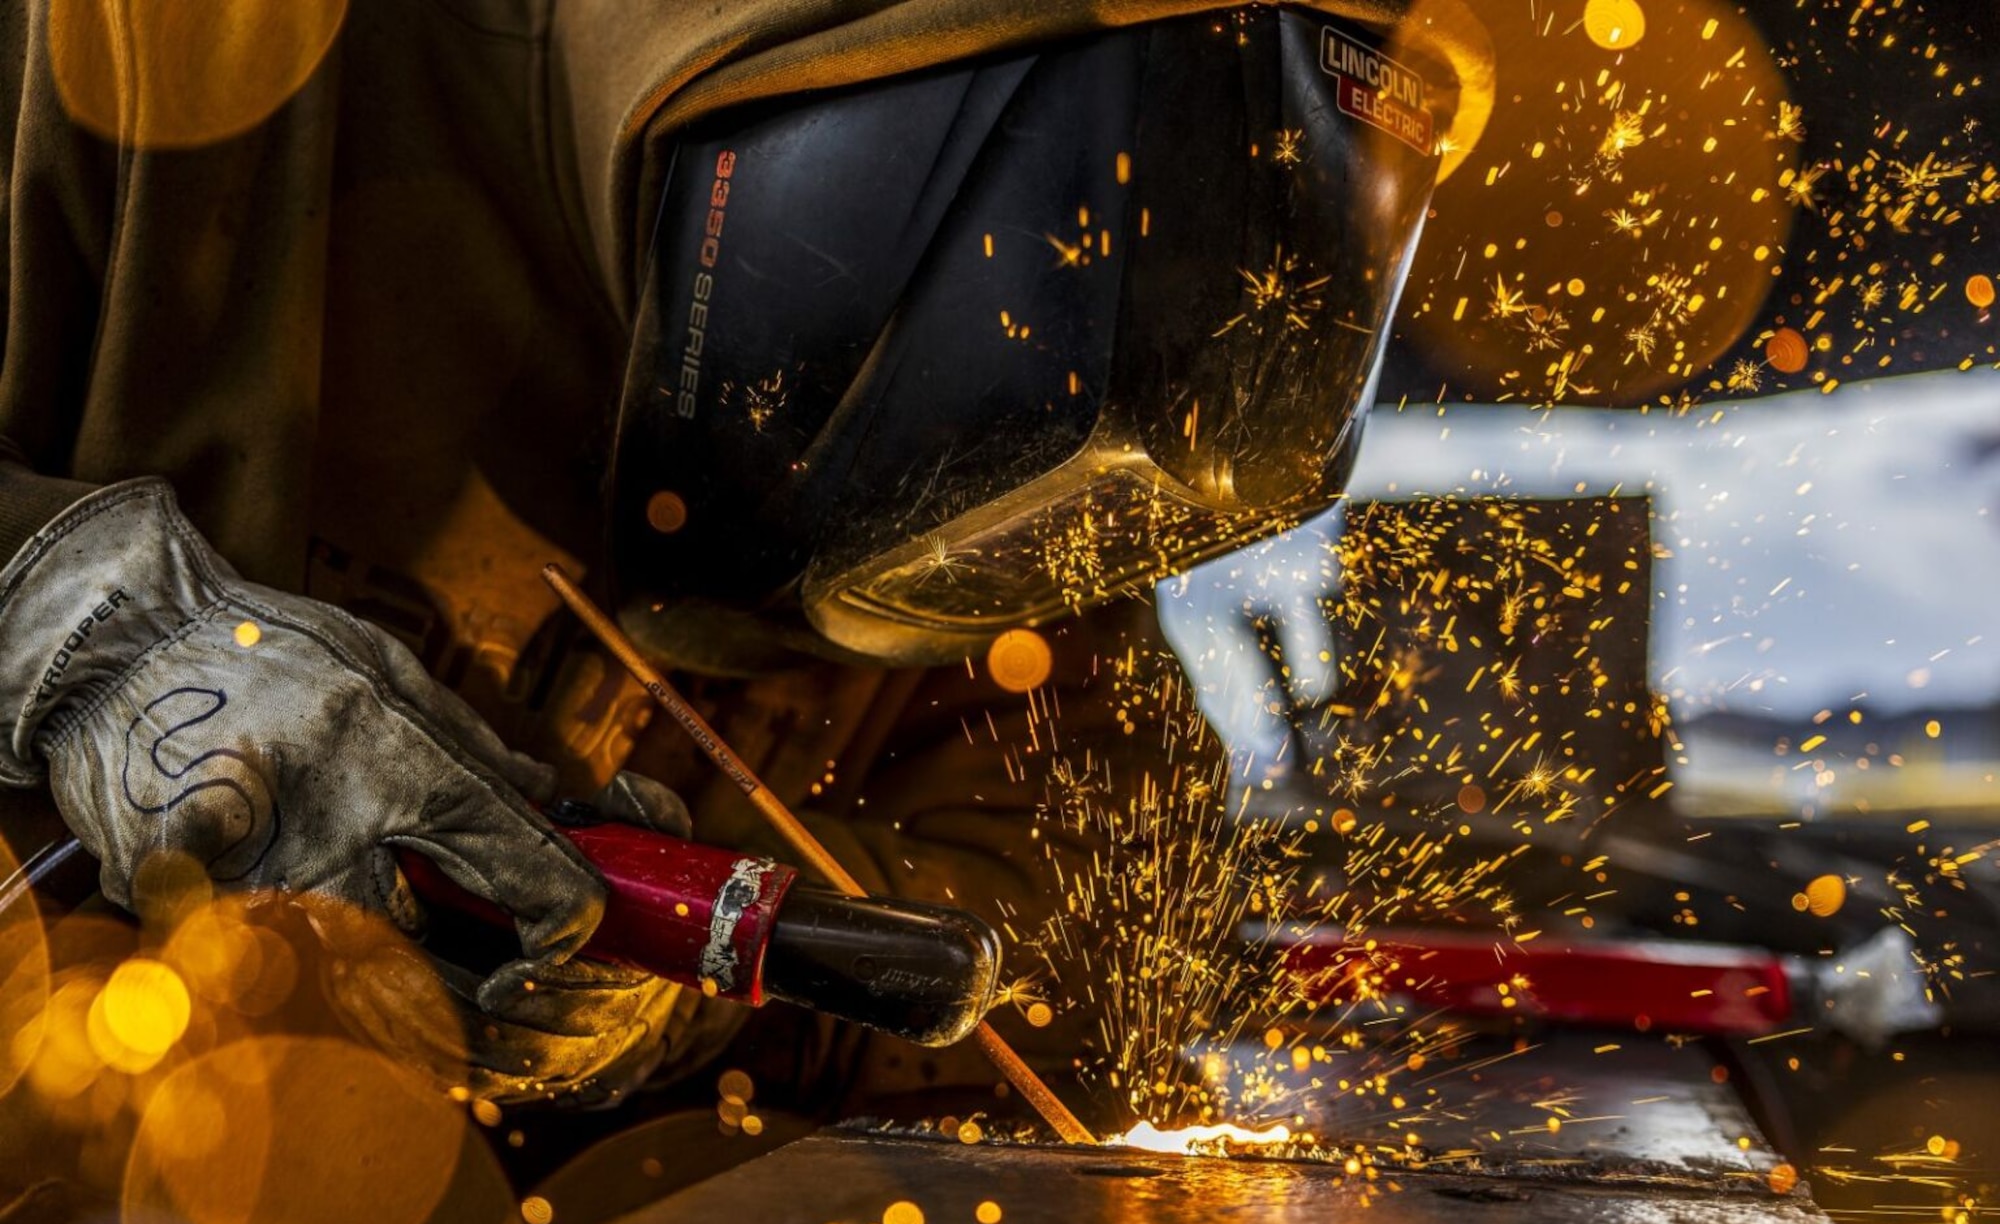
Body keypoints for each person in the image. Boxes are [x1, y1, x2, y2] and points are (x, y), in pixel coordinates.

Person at [0, 0, 1488, 1110]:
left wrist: (716, 982)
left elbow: (1101, 892)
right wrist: (77, 628)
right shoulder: (160, 50)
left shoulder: (1033, 395)